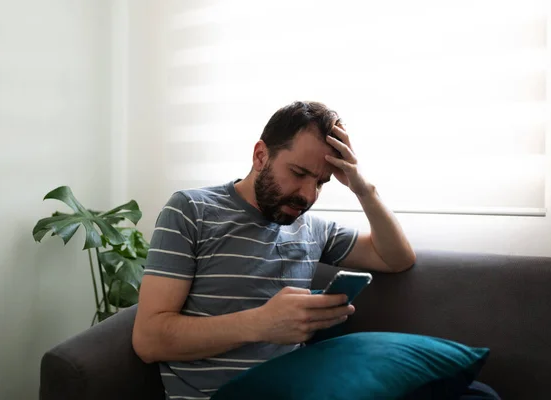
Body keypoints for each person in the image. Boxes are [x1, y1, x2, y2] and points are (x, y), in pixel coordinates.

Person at [132, 101, 416, 399]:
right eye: (298, 173)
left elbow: (396, 258)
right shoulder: (191, 211)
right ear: (260, 156)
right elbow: (149, 339)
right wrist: (260, 324)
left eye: (320, 182)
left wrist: (362, 188)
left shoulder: (312, 228)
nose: (308, 195)